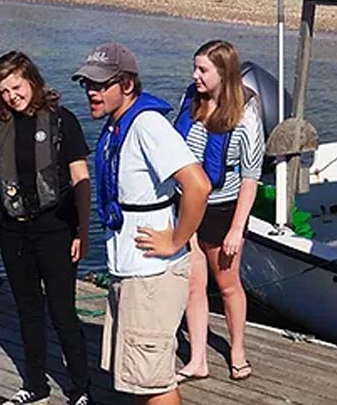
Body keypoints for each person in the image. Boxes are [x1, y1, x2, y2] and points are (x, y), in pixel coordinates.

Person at [72, 41, 211, 405]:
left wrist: (177, 240)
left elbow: (198, 185)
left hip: (151, 275)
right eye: (87, 83)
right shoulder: (119, 126)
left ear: (128, 85)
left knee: (154, 383)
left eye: (101, 85)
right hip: (130, 271)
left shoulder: (147, 125)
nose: (91, 91)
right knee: (138, 378)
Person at [0, 51, 94, 405]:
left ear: (31, 80)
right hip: (14, 232)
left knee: (63, 313)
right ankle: (35, 386)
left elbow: (81, 178)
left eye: (16, 87)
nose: (11, 96)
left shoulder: (63, 121)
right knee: (27, 310)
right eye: (3, 91)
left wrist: (84, 231)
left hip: (57, 229)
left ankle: (81, 389)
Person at [172, 40, 265, 382]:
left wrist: (236, 230)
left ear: (223, 73)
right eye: (194, 68)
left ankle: (237, 350)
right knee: (194, 285)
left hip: (221, 210)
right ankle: (198, 359)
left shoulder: (245, 117)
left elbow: (250, 177)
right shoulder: (190, 101)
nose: (194, 75)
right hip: (185, 207)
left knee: (227, 285)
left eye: (202, 70)